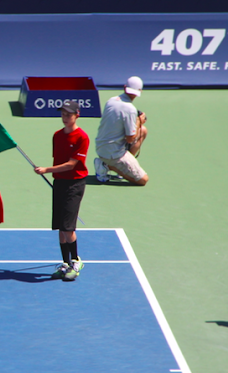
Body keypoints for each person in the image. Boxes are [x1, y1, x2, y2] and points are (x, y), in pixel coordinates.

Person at [34, 101, 89, 281]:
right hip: (60, 183)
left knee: (68, 227)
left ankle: (76, 261)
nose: (65, 117)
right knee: (60, 227)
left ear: (77, 115)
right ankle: (65, 264)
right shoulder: (57, 136)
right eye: (63, 114)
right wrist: (52, 173)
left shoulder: (82, 137)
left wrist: (46, 170)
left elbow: (71, 165)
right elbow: (59, 161)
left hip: (75, 184)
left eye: (69, 114)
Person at [93, 76, 149, 186]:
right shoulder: (130, 109)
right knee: (143, 180)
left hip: (101, 148)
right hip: (113, 154)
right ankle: (108, 166)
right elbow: (130, 139)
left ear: (124, 88)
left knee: (143, 131)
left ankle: (116, 166)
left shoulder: (111, 100)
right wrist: (138, 121)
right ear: (140, 91)